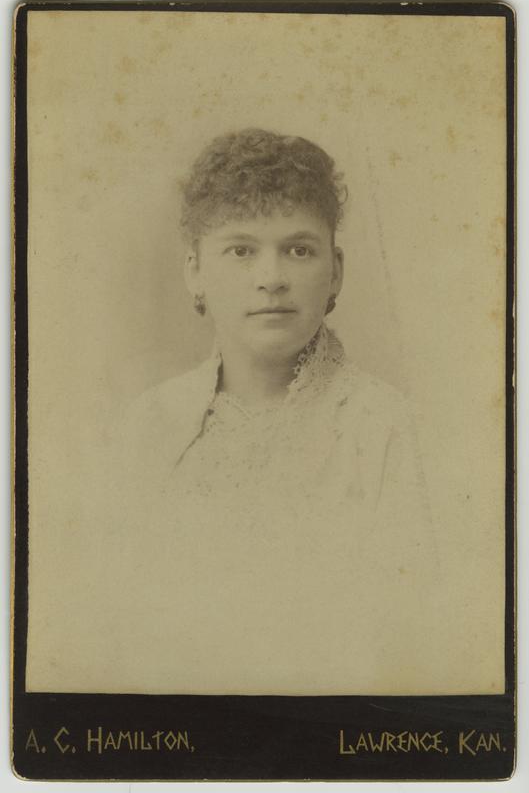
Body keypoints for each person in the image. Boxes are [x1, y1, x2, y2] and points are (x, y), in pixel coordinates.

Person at [114, 128, 437, 695]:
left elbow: (410, 630)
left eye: (299, 250)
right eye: (241, 250)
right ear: (195, 271)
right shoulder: (150, 425)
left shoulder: (383, 426)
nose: (272, 278)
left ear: (335, 270)